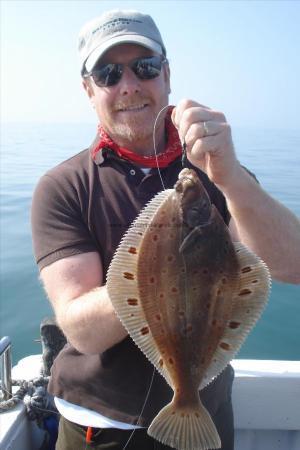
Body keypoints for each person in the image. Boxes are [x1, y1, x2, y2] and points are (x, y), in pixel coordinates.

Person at [31, 9, 300, 450]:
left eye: (145, 67)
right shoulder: (63, 187)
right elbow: (84, 332)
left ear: (167, 74)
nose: (129, 84)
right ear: (88, 89)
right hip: (98, 429)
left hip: (206, 408)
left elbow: (293, 265)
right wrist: (160, 276)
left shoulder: (219, 170)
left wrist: (231, 178)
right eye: (108, 73)